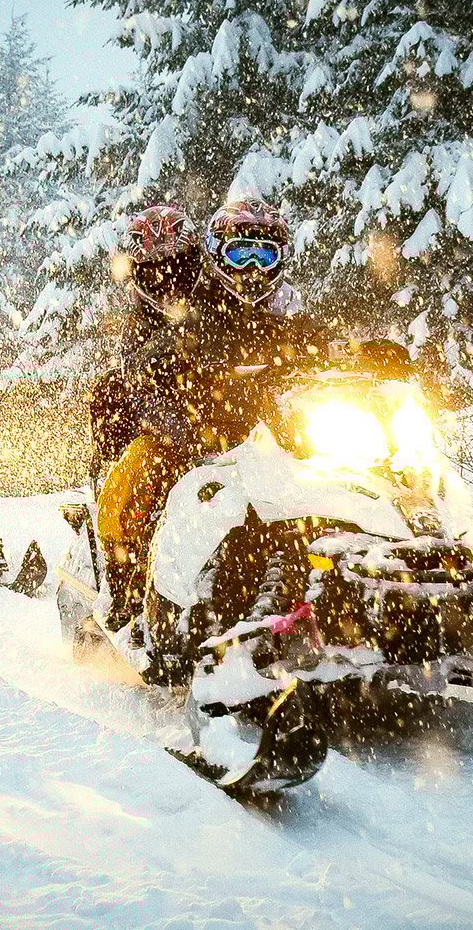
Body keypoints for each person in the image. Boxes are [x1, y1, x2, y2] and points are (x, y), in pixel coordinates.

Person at [96, 198, 327, 632]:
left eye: (265, 254)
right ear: (217, 253)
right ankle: (128, 582)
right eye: (242, 253)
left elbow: (300, 331)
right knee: (145, 468)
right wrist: (171, 356)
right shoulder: (202, 301)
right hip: (191, 417)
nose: (253, 267)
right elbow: (173, 346)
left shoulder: (280, 302)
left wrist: (354, 351)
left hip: (260, 420)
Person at [89, 205, 202, 468]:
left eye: (179, 267)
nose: (169, 280)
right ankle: (112, 486)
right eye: (155, 272)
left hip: (229, 418)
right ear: (138, 275)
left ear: (195, 262)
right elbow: (134, 377)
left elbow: (257, 333)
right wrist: (160, 357)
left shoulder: (217, 300)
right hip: (169, 436)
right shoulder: (137, 321)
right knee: (110, 392)